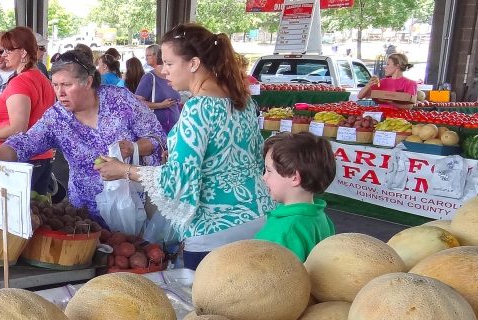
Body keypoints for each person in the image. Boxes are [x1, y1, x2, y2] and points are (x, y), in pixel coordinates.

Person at [95, 23, 274, 270]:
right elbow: (252, 160)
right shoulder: (241, 102)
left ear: (193, 64)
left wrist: (122, 170)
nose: (163, 70)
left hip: (215, 228)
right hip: (259, 218)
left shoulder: (198, 108)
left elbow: (176, 180)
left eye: (168, 63)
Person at [0, 50, 164, 226]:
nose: (60, 92)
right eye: (55, 85)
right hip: (85, 215)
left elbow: (157, 137)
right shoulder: (56, 118)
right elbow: (23, 144)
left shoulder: (119, 100)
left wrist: (133, 147)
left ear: (88, 82)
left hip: (134, 209)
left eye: (67, 85)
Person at [0, 26, 56, 194]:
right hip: (41, 158)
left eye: (8, 50)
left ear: (23, 53)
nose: (4, 55)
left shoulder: (21, 81)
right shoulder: (43, 79)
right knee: (35, 212)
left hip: (19, 160)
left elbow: (18, 128)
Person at [254, 133, 337, 262]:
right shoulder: (320, 217)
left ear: (294, 178)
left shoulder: (284, 232)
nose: (263, 177)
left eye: (268, 171)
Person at [135, 46, 182, 134]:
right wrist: (160, 105)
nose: (146, 58)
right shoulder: (149, 77)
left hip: (174, 130)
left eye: (148, 55)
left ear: (157, 55)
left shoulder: (171, 76)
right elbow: (137, 103)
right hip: (157, 131)